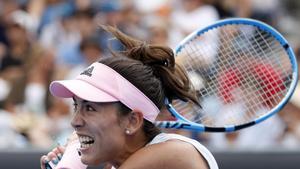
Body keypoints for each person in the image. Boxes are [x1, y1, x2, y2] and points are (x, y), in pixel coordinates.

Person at [40, 25, 218, 169]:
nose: (75, 121)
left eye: (90, 108)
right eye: (76, 106)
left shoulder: (176, 153)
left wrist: (71, 161)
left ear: (133, 121)